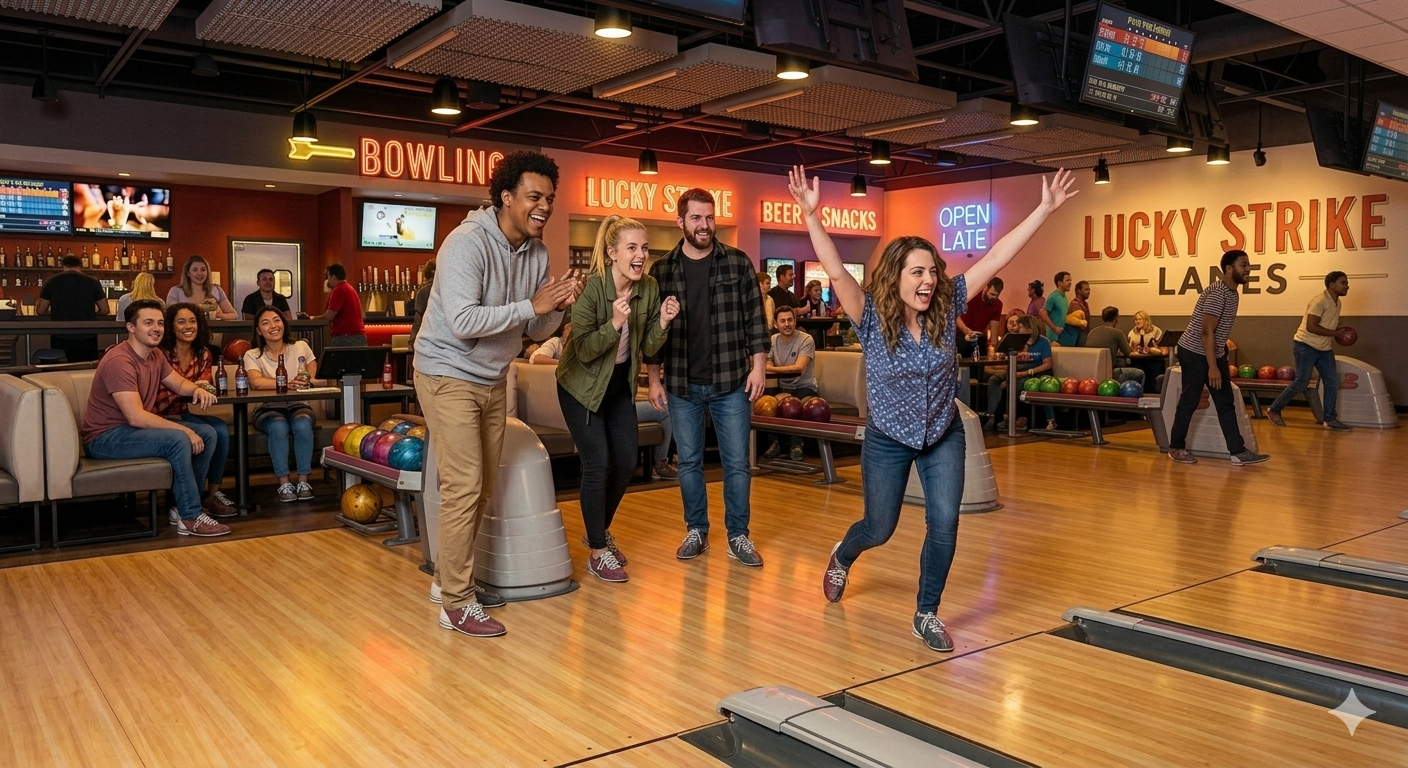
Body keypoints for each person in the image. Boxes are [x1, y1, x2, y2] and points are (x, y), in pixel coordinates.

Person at [790, 164, 1077, 652]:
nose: (928, 280)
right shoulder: (871, 318)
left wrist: (1044, 209)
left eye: (932, 271)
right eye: (917, 272)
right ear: (895, 277)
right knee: (879, 528)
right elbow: (837, 272)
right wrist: (813, 216)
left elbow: (997, 253)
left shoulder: (947, 305)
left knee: (945, 522)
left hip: (942, 434)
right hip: (887, 439)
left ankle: (926, 612)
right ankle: (844, 553)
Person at [415, 150, 580, 639]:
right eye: (534, 197)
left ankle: (449, 581)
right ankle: (457, 602)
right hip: (446, 371)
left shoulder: (538, 252)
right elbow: (464, 323)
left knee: (482, 485)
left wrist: (558, 307)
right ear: (505, 197)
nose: (544, 207)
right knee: (464, 485)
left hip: (491, 376)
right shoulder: (465, 244)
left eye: (549, 199)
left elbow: (533, 326)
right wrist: (533, 303)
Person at [645, 187, 769, 567]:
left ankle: (738, 535)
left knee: (736, 463)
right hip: (682, 382)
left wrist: (759, 365)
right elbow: (653, 329)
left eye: (709, 217)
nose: (705, 225)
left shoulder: (737, 262)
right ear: (680, 221)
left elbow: (754, 318)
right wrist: (653, 378)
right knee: (689, 463)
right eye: (696, 218)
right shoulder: (661, 270)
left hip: (731, 380)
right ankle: (696, 529)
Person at [556, 215, 678, 583]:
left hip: (617, 387)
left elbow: (649, 347)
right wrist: (613, 324)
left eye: (644, 247)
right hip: (580, 388)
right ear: (612, 253)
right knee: (598, 463)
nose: (641, 254)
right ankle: (597, 550)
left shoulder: (649, 288)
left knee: (625, 462)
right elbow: (585, 351)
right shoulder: (592, 289)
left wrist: (664, 322)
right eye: (632, 248)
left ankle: (598, 531)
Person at [82, 299, 231, 537]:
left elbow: (178, 383)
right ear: (131, 327)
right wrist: (185, 430)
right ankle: (190, 516)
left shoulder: (155, 356)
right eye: (148, 322)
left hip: (130, 432)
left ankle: (180, 506)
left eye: (160, 323)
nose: (157, 328)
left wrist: (196, 390)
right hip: (105, 438)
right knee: (180, 439)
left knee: (209, 433)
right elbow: (136, 417)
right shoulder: (120, 361)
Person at [528, 319, 677, 479]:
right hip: (585, 399)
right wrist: (566, 362)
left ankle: (660, 461)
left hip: (617, 395)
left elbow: (647, 345)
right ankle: (660, 463)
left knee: (661, 409)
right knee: (598, 466)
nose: (570, 329)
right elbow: (536, 357)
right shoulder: (556, 343)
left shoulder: (619, 342)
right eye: (569, 327)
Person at [1168, 250, 1269, 466]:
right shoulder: (1217, 293)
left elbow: (1218, 332)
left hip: (1214, 351)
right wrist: (1213, 367)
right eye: (1244, 265)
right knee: (1190, 399)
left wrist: (1219, 358)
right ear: (1229, 269)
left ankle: (1237, 451)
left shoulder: (1233, 293)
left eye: (1248, 265)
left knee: (1225, 401)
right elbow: (1207, 332)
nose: (1248, 269)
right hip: (1194, 351)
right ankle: (1176, 447)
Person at [153, 301, 236, 520]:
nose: (188, 326)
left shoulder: (204, 354)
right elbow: (186, 388)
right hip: (158, 416)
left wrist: (200, 388)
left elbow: (204, 387)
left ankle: (213, 493)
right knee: (207, 432)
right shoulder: (159, 354)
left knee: (220, 429)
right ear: (171, 327)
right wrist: (195, 388)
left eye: (193, 321)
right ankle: (190, 500)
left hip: (182, 411)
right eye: (181, 321)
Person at [244, 306, 320, 502]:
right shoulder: (252, 354)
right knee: (278, 425)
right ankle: (284, 483)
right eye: (265, 322)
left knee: (302, 423)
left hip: (298, 405)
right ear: (259, 330)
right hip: (267, 408)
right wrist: (289, 383)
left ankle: (303, 480)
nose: (273, 326)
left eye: (276, 320)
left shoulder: (301, 347)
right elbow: (255, 382)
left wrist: (307, 381)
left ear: (284, 324)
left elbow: (317, 378)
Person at [1268, 271, 1352, 432]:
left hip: (1324, 348)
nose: (1347, 286)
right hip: (1305, 345)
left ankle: (1330, 419)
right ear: (1332, 285)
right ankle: (1274, 409)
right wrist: (1335, 334)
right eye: (1343, 283)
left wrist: (1335, 334)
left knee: (1332, 382)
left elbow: (1327, 326)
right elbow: (1311, 327)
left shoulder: (1337, 303)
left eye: (1347, 283)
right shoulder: (1319, 301)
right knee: (1301, 382)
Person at [761, 304, 816, 462]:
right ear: (776, 324)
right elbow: (766, 362)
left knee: (791, 403)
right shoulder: (773, 339)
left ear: (795, 320)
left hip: (805, 388)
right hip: (782, 387)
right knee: (765, 402)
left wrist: (774, 369)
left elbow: (799, 368)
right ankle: (774, 443)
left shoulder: (806, 339)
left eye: (790, 320)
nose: (787, 324)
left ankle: (796, 445)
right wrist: (770, 366)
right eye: (783, 321)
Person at [983, 314, 1055, 431]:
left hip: (1035, 371)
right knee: (994, 380)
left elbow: (1047, 364)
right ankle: (991, 415)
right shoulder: (1019, 341)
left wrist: (1026, 372)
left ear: (1029, 328)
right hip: (1017, 369)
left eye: (1020, 327)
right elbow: (1011, 358)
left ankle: (1008, 417)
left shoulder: (1043, 341)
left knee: (1016, 384)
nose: (1017, 329)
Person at [36, 254, 107, 362]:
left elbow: (41, 310)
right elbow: (105, 309)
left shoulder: (51, 281)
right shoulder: (92, 282)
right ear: (80, 266)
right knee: (86, 369)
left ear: (63, 266)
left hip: (60, 334)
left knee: (62, 369)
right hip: (87, 334)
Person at [1085, 307, 1145, 385]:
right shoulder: (1117, 333)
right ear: (1116, 319)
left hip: (1090, 372)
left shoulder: (1092, 332)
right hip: (1109, 372)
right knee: (1141, 373)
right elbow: (1129, 353)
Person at [166, 255, 238, 319]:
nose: (200, 273)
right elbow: (171, 315)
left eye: (203, 270)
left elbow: (233, 315)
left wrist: (219, 315)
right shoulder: (175, 291)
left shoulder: (217, 290)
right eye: (195, 270)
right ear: (188, 273)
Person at [310, 264, 366, 346]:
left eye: (328, 277)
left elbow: (329, 315)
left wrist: (313, 318)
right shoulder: (350, 288)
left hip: (345, 337)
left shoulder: (339, 289)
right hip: (358, 336)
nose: (327, 281)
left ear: (333, 277)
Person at [1039, 271, 1078, 346]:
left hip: (1062, 336)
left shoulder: (1064, 297)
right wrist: (1054, 328)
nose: (1070, 283)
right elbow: (1042, 313)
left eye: (1070, 280)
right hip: (1053, 337)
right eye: (1067, 280)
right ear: (1059, 283)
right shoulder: (1053, 296)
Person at [409, 259, 436, 345]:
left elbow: (418, 320)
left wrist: (412, 341)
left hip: (427, 338)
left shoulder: (423, 292)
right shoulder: (447, 290)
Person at [1069, 280, 1092, 346]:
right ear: (1078, 291)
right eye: (1086, 289)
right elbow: (1078, 325)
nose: (1088, 292)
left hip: (1084, 335)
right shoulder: (1075, 304)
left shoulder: (1085, 304)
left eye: (1089, 290)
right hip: (1078, 336)